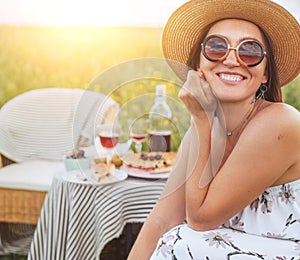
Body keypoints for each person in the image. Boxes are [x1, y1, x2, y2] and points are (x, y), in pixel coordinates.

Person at [128, 0, 300, 259]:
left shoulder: (279, 122)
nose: (231, 60)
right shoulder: (202, 131)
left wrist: (202, 120)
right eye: (217, 47)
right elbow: (162, 221)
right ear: (199, 64)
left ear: (265, 73)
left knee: (180, 241)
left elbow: (199, 219)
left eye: (250, 51)